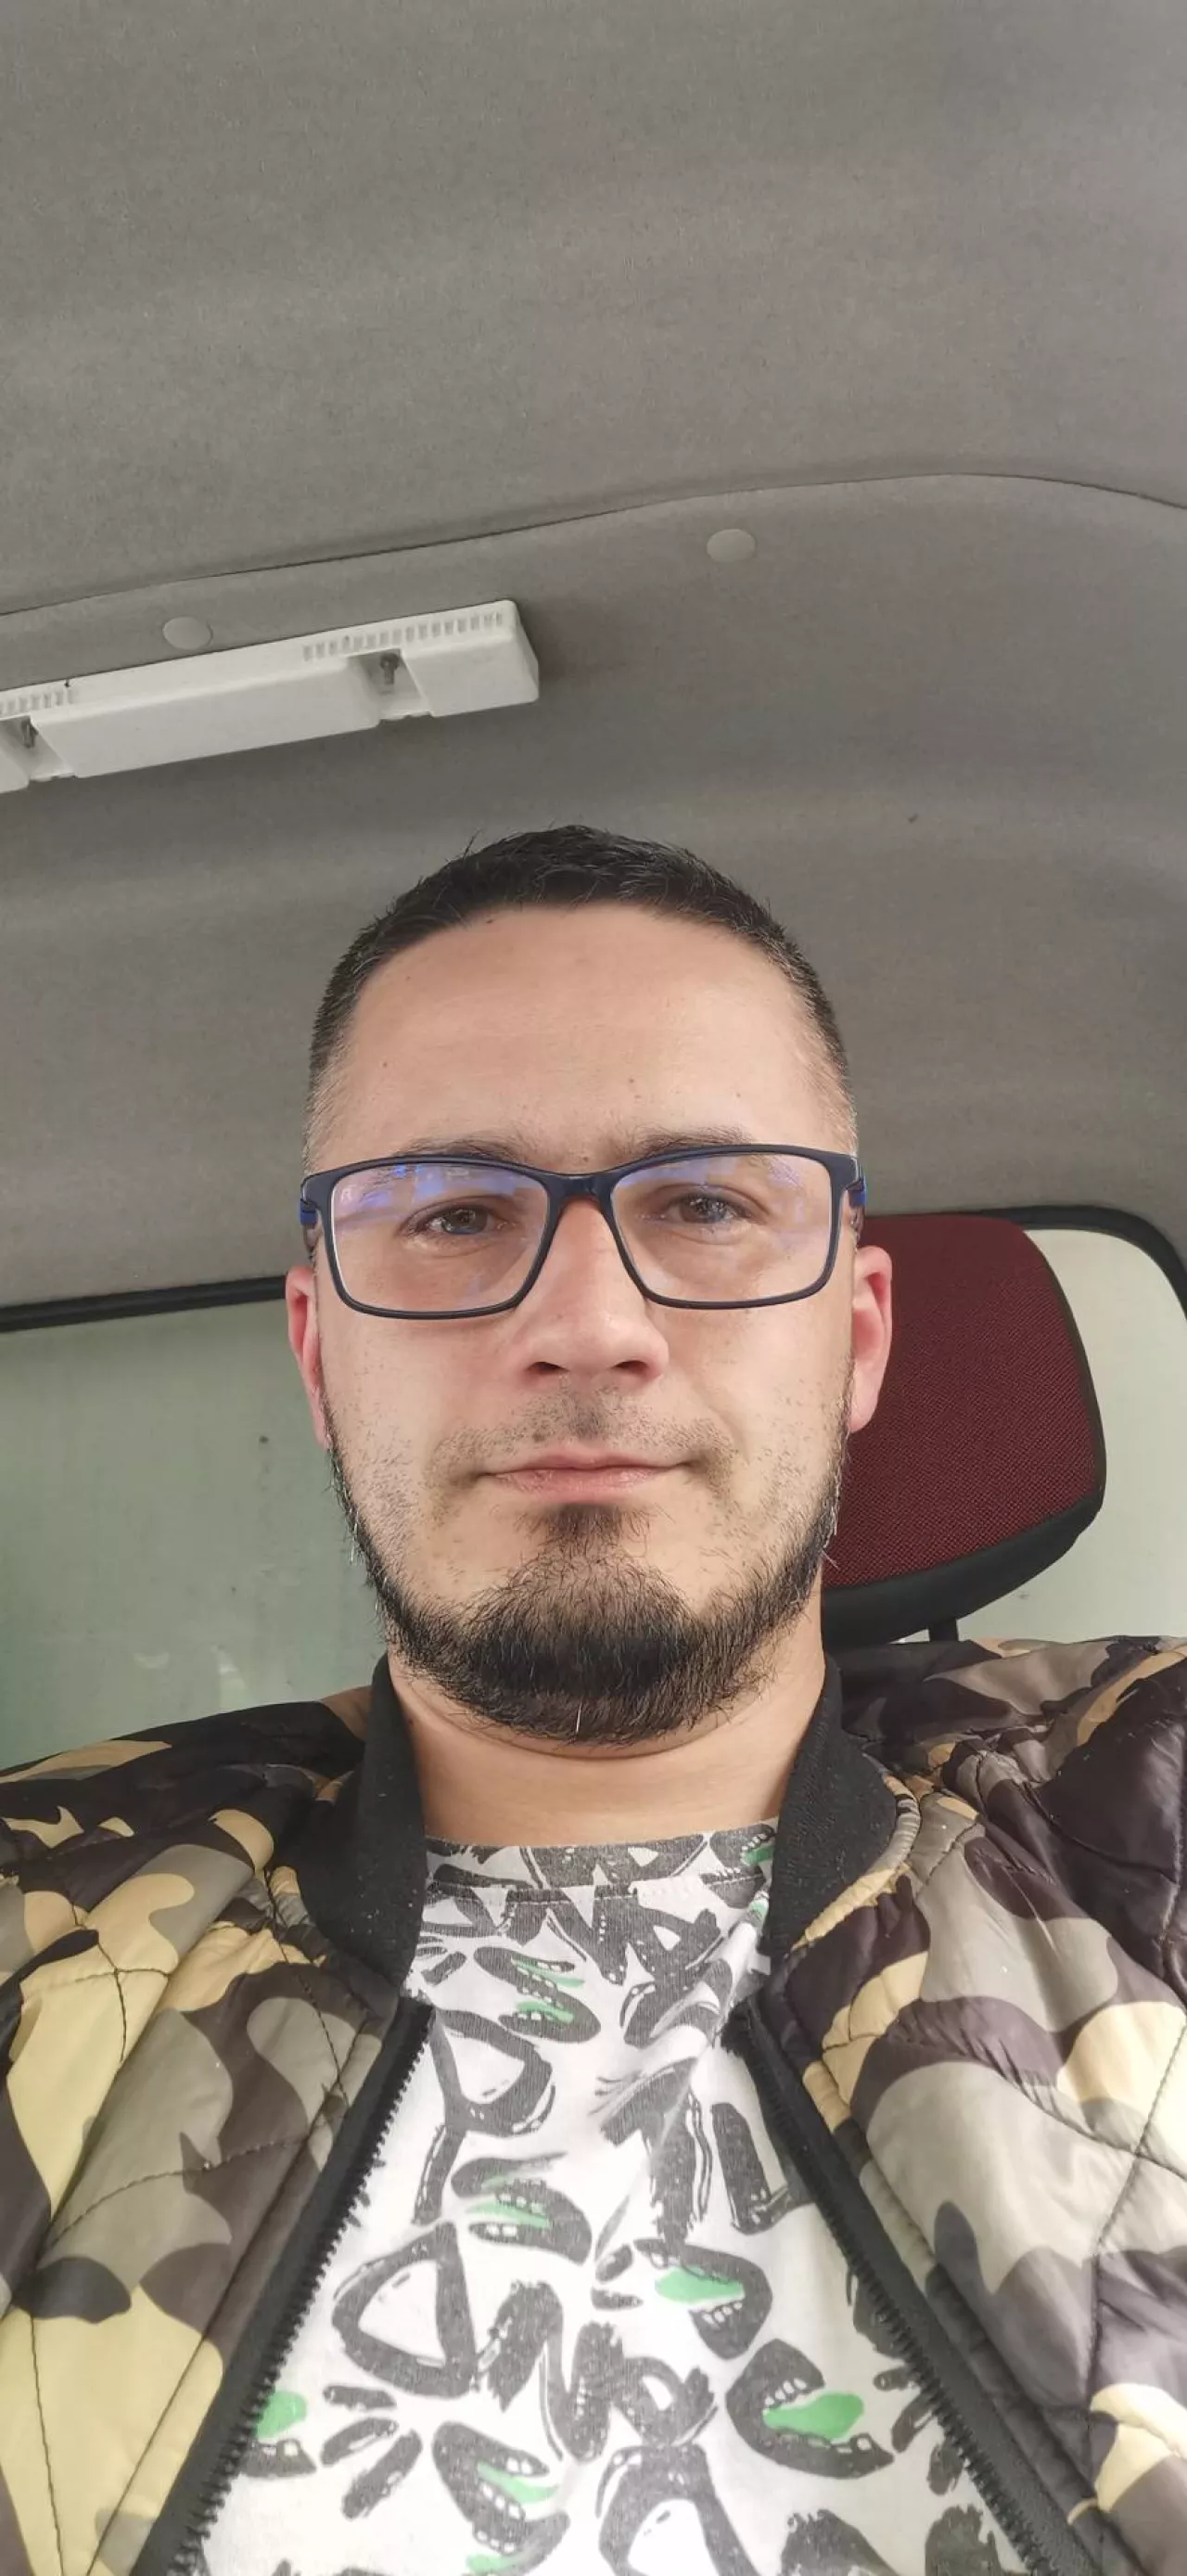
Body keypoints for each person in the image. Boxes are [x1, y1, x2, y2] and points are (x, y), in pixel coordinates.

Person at [0, 826, 1183, 2576]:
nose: (588, 1323)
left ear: (860, 1340)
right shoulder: (40, 1916)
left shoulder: (1148, 1810)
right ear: (320, 1356)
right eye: (453, 1214)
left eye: (704, 1205)